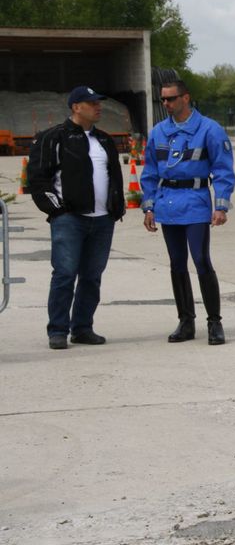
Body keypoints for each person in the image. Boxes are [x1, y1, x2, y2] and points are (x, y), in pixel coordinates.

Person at [27, 86, 126, 350]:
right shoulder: (52, 138)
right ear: (76, 107)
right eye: (92, 103)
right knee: (65, 274)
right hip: (70, 219)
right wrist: (57, 210)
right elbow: (37, 180)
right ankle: (57, 330)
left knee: (92, 276)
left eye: (99, 103)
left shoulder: (105, 140)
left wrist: (117, 206)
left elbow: (114, 176)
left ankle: (82, 328)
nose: (98, 107)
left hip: (103, 220)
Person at [140, 80, 235, 345]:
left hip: (194, 200)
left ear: (186, 98)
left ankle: (214, 322)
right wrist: (148, 207)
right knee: (176, 262)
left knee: (201, 259)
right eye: (163, 100)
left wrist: (221, 205)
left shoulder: (209, 130)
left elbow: (223, 169)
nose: (167, 104)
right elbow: (149, 172)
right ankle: (186, 321)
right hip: (167, 201)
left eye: (171, 99)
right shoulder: (159, 132)